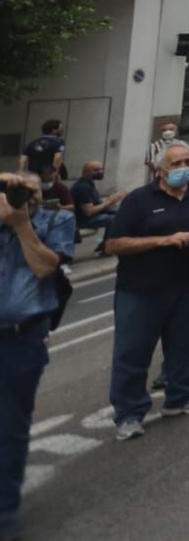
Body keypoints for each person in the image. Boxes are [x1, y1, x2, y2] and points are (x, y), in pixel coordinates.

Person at [103, 141, 189, 438]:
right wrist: (162, 241)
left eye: (187, 162)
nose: (183, 168)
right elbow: (114, 244)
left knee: (187, 344)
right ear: (159, 169)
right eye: (176, 164)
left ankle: (180, 396)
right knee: (133, 353)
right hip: (141, 290)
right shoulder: (139, 201)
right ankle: (128, 415)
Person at [0, 171, 72, 540]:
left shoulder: (57, 220)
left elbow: (46, 266)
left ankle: (4, 509)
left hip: (20, 340)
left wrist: (21, 225)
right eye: (13, 188)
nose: (20, 195)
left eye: (29, 190)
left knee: (10, 427)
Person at [68, 160, 121, 252]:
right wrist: (108, 202)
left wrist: (111, 199)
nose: (100, 172)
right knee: (115, 219)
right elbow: (89, 212)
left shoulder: (89, 184)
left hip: (89, 217)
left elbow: (96, 202)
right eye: (96, 170)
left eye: (101, 169)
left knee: (120, 213)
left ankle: (106, 244)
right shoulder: (82, 188)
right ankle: (107, 246)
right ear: (86, 172)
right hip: (83, 220)